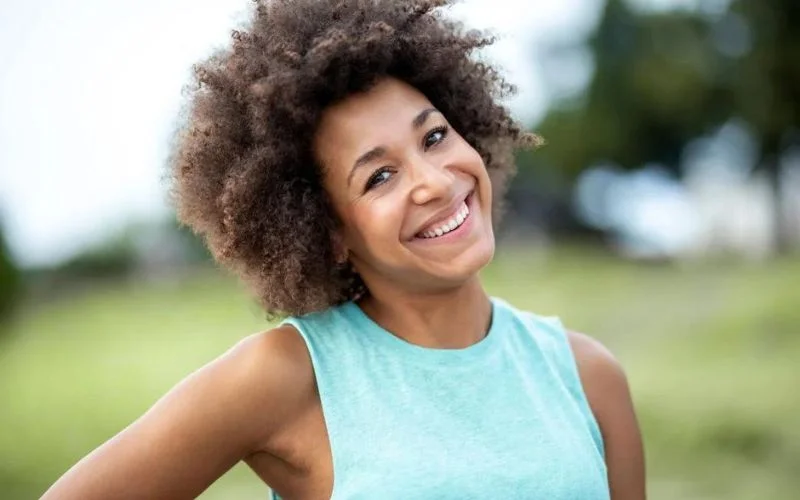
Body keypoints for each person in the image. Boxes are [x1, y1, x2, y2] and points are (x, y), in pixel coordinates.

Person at [42, 0, 645, 498]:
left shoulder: (587, 375)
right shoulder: (289, 377)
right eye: (378, 177)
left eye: (434, 136)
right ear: (325, 230)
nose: (434, 181)